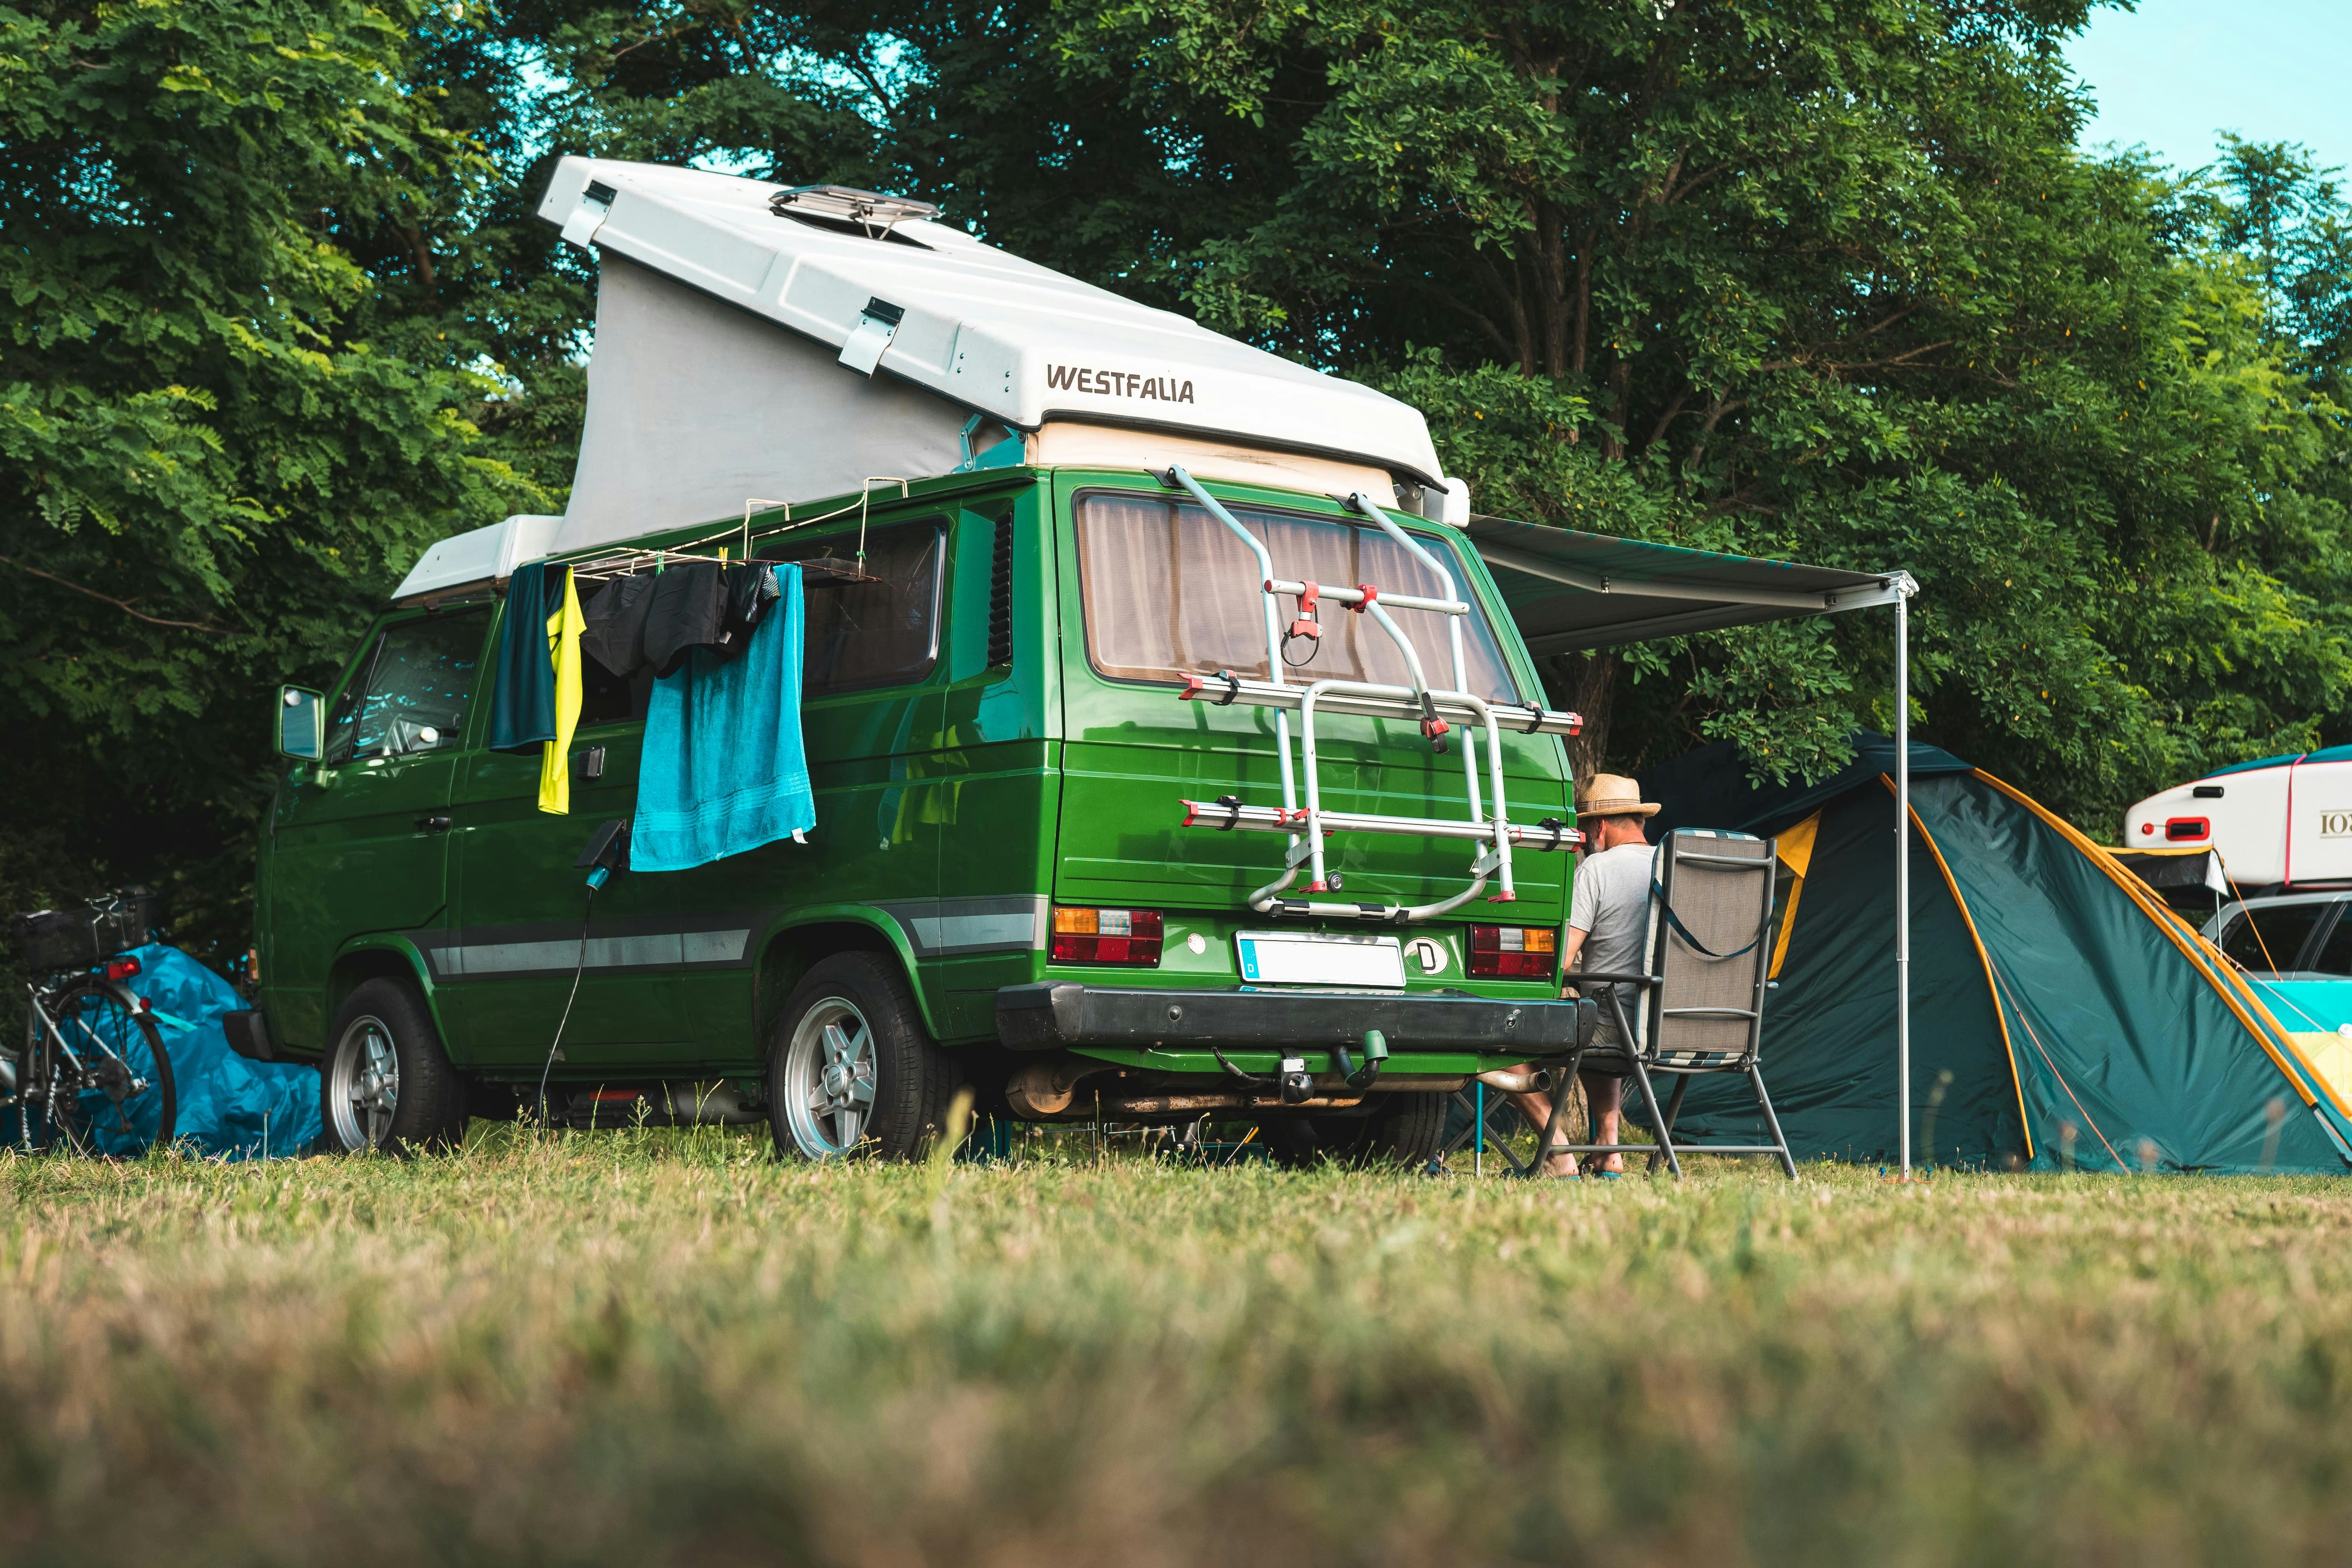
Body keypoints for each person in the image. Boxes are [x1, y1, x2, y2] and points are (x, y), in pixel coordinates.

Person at [1510, 773, 1659, 1178]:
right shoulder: (1677, 866)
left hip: (1615, 1031)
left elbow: (1558, 962)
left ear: (1599, 827)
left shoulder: (1597, 868)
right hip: (1678, 1030)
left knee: (1497, 1035)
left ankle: (1558, 1154)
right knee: (1599, 1007)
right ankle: (1608, 1151)